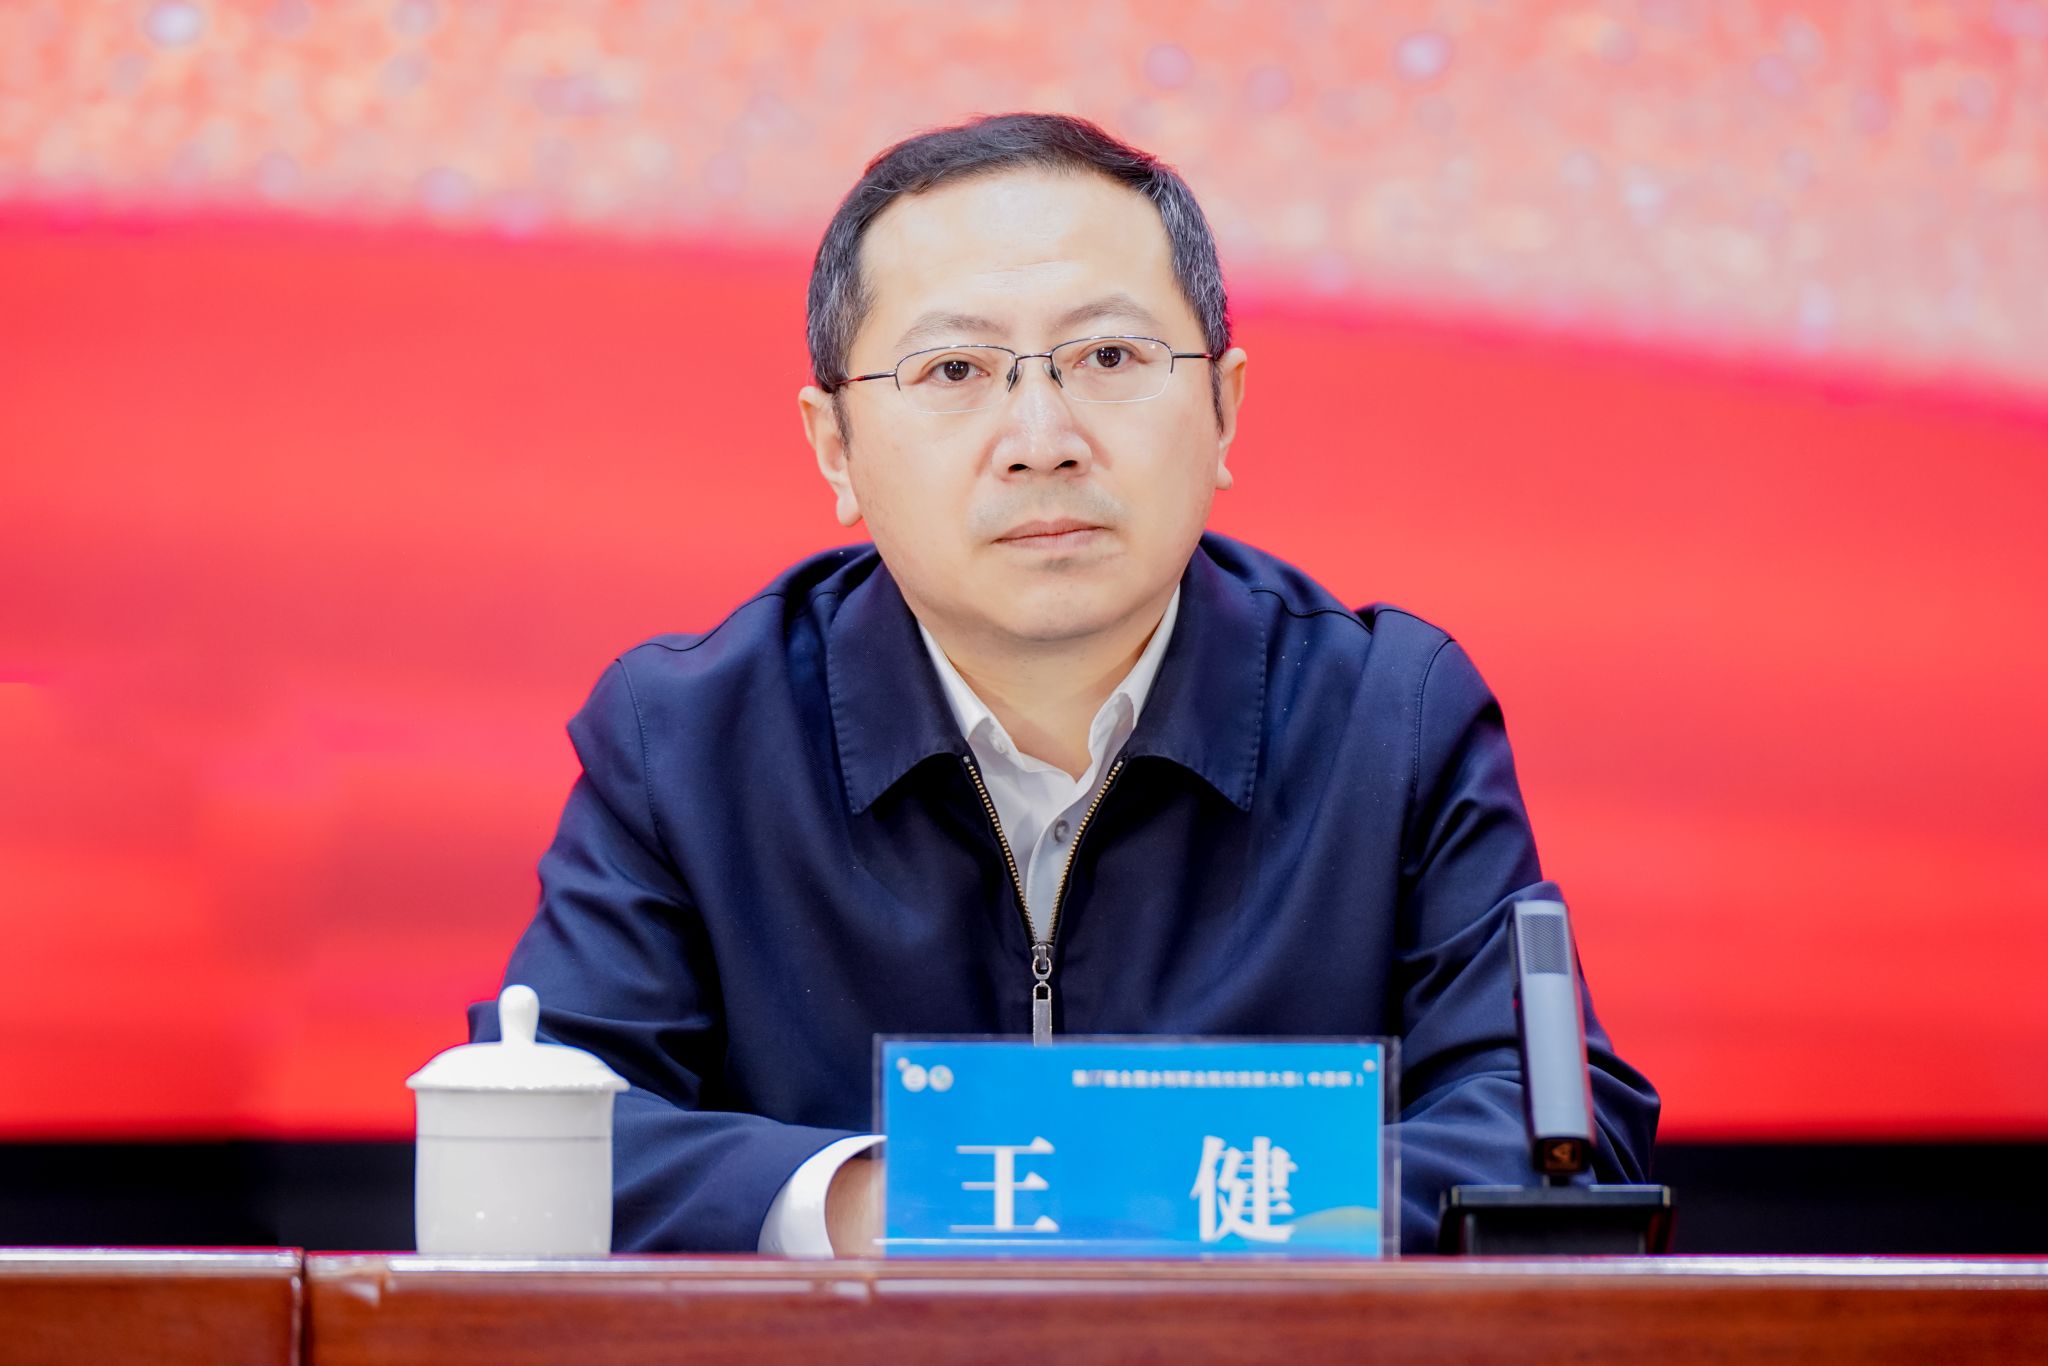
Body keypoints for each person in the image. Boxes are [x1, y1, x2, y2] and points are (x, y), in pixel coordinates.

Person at [470, 112, 1659, 1256]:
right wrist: (897, 1204)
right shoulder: (690, 741)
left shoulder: (1386, 718)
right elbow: (538, 1134)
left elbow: (1553, 1136)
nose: (1041, 437)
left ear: (1224, 409)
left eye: (1107, 357)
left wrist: (1094, 1195)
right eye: (953, 369)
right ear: (835, 448)